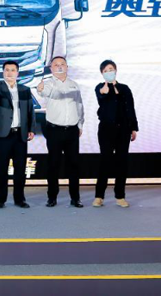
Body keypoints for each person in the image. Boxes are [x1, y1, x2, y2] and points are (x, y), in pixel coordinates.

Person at [36, 56, 85, 208]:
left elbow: (79, 106)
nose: (59, 67)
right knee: (53, 165)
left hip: (72, 130)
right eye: (56, 65)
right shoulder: (48, 84)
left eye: (62, 64)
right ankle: (52, 197)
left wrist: (80, 124)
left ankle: (75, 198)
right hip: (54, 130)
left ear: (67, 67)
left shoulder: (74, 85)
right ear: (51, 69)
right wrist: (40, 89)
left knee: (74, 165)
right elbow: (44, 93)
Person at [0, 61, 36, 209]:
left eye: (13, 70)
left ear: (17, 73)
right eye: (7, 70)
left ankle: (19, 199)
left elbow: (30, 110)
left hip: (20, 134)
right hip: (4, 135)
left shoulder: (25, 90)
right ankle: (0, 199)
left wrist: (31, 128)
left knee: (20, 169)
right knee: (1, 169)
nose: (9, 73)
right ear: (3, 72)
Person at [94, 60, 138, 208]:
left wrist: (133, 127)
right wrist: (105, 91)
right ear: (102, 73)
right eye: (105, 70)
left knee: (122, 162)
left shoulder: (124, 88)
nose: (109, 72)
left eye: (111, 69)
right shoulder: (100, 87)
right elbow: (101, 96)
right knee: (105, 161)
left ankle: (120, 196)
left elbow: (130, 108)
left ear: (116, 70)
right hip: (106, 130)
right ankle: (99, 196)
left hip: (123, 129)